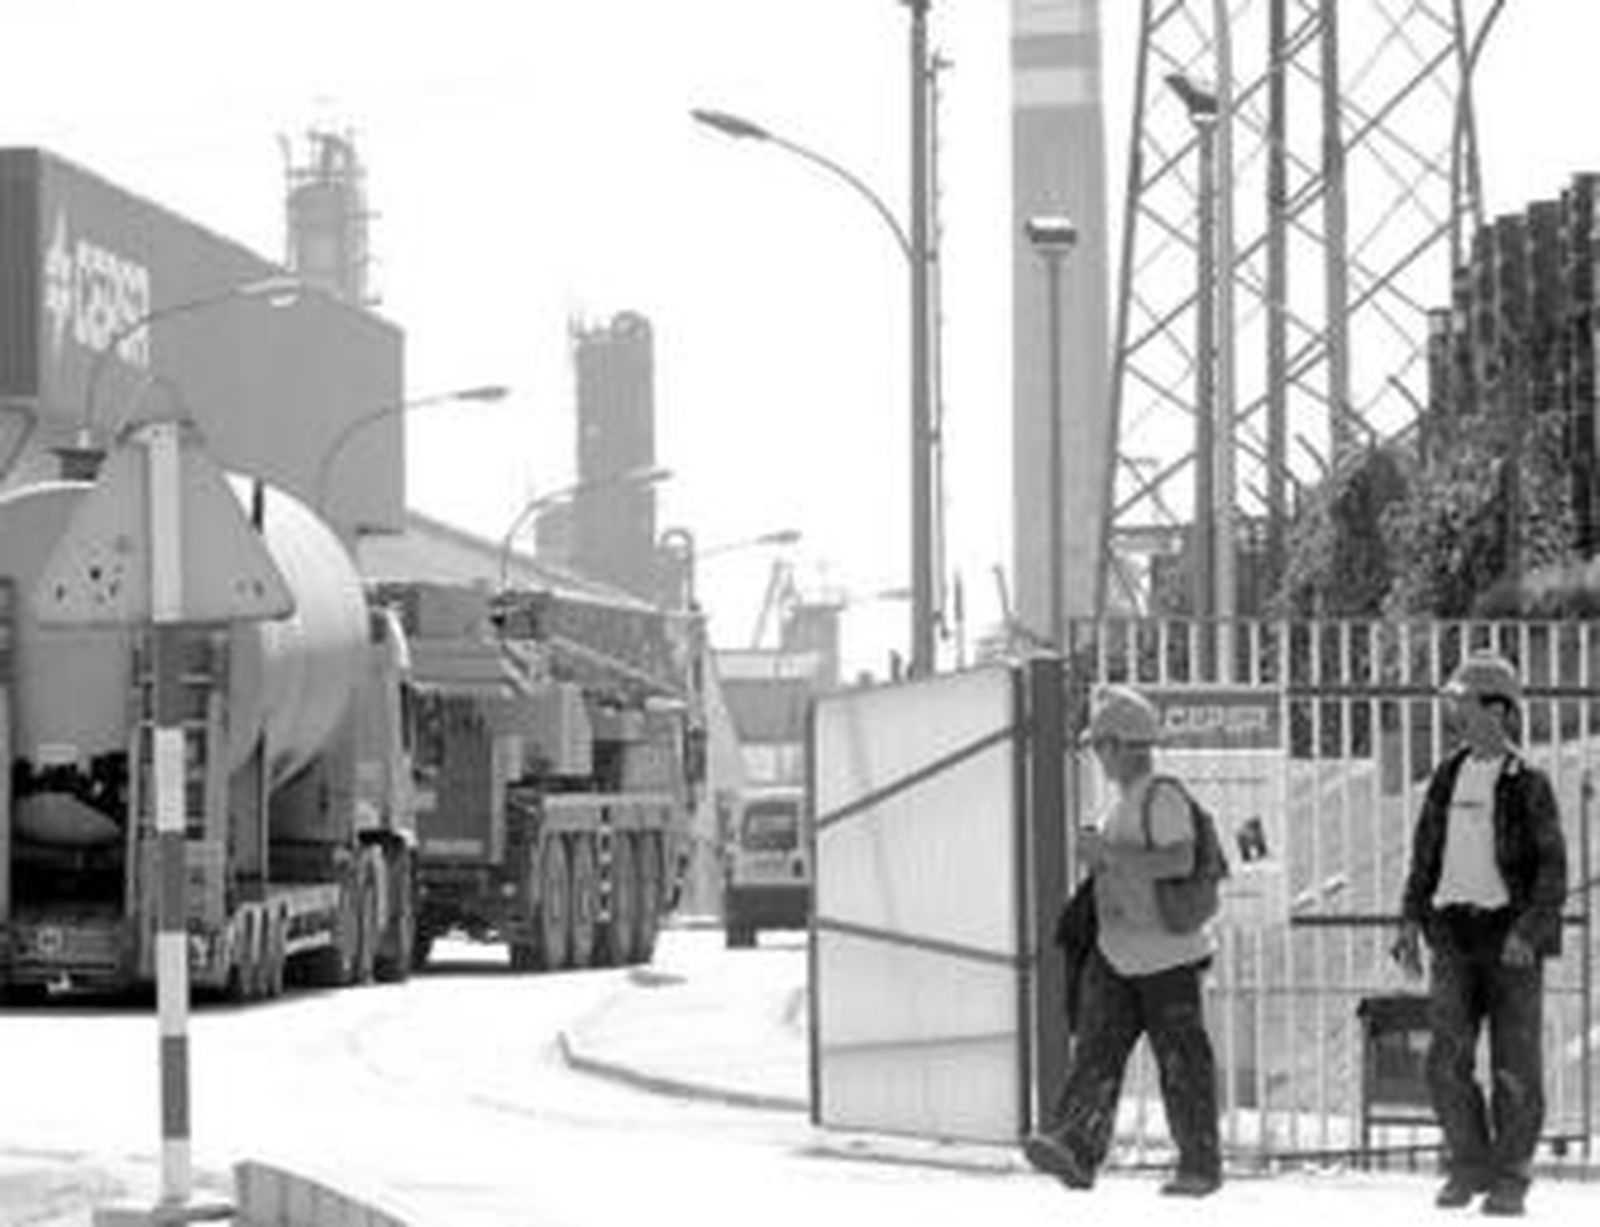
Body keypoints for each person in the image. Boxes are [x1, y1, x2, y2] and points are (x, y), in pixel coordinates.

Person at [1023, 683, 1222, 1197]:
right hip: (1119, 951)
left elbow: (1179, 859)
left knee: (1181, 1064)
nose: (1097, 756)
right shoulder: (1124, 804)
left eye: (1099, 745)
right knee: (1096, 1053)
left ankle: (1199, 1166)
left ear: (1118, 745)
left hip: (1167, 957)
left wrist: (1108, 855)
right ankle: (1075, 1148)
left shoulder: (1162, 796)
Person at [1392, 652, 1568, 1217]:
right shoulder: (1448, 775)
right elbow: (1425, 853)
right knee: (1446, 1061)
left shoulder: (1530, 783)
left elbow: (1553, 871)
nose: (1456, 714)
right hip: (1453, 934)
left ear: (1498, 710)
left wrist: (1528, 932)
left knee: (1515, 1067)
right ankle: (1467, 1167)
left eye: (1464, 703)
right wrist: (1409, 920)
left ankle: (1510, 1178)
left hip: (1510, 940)